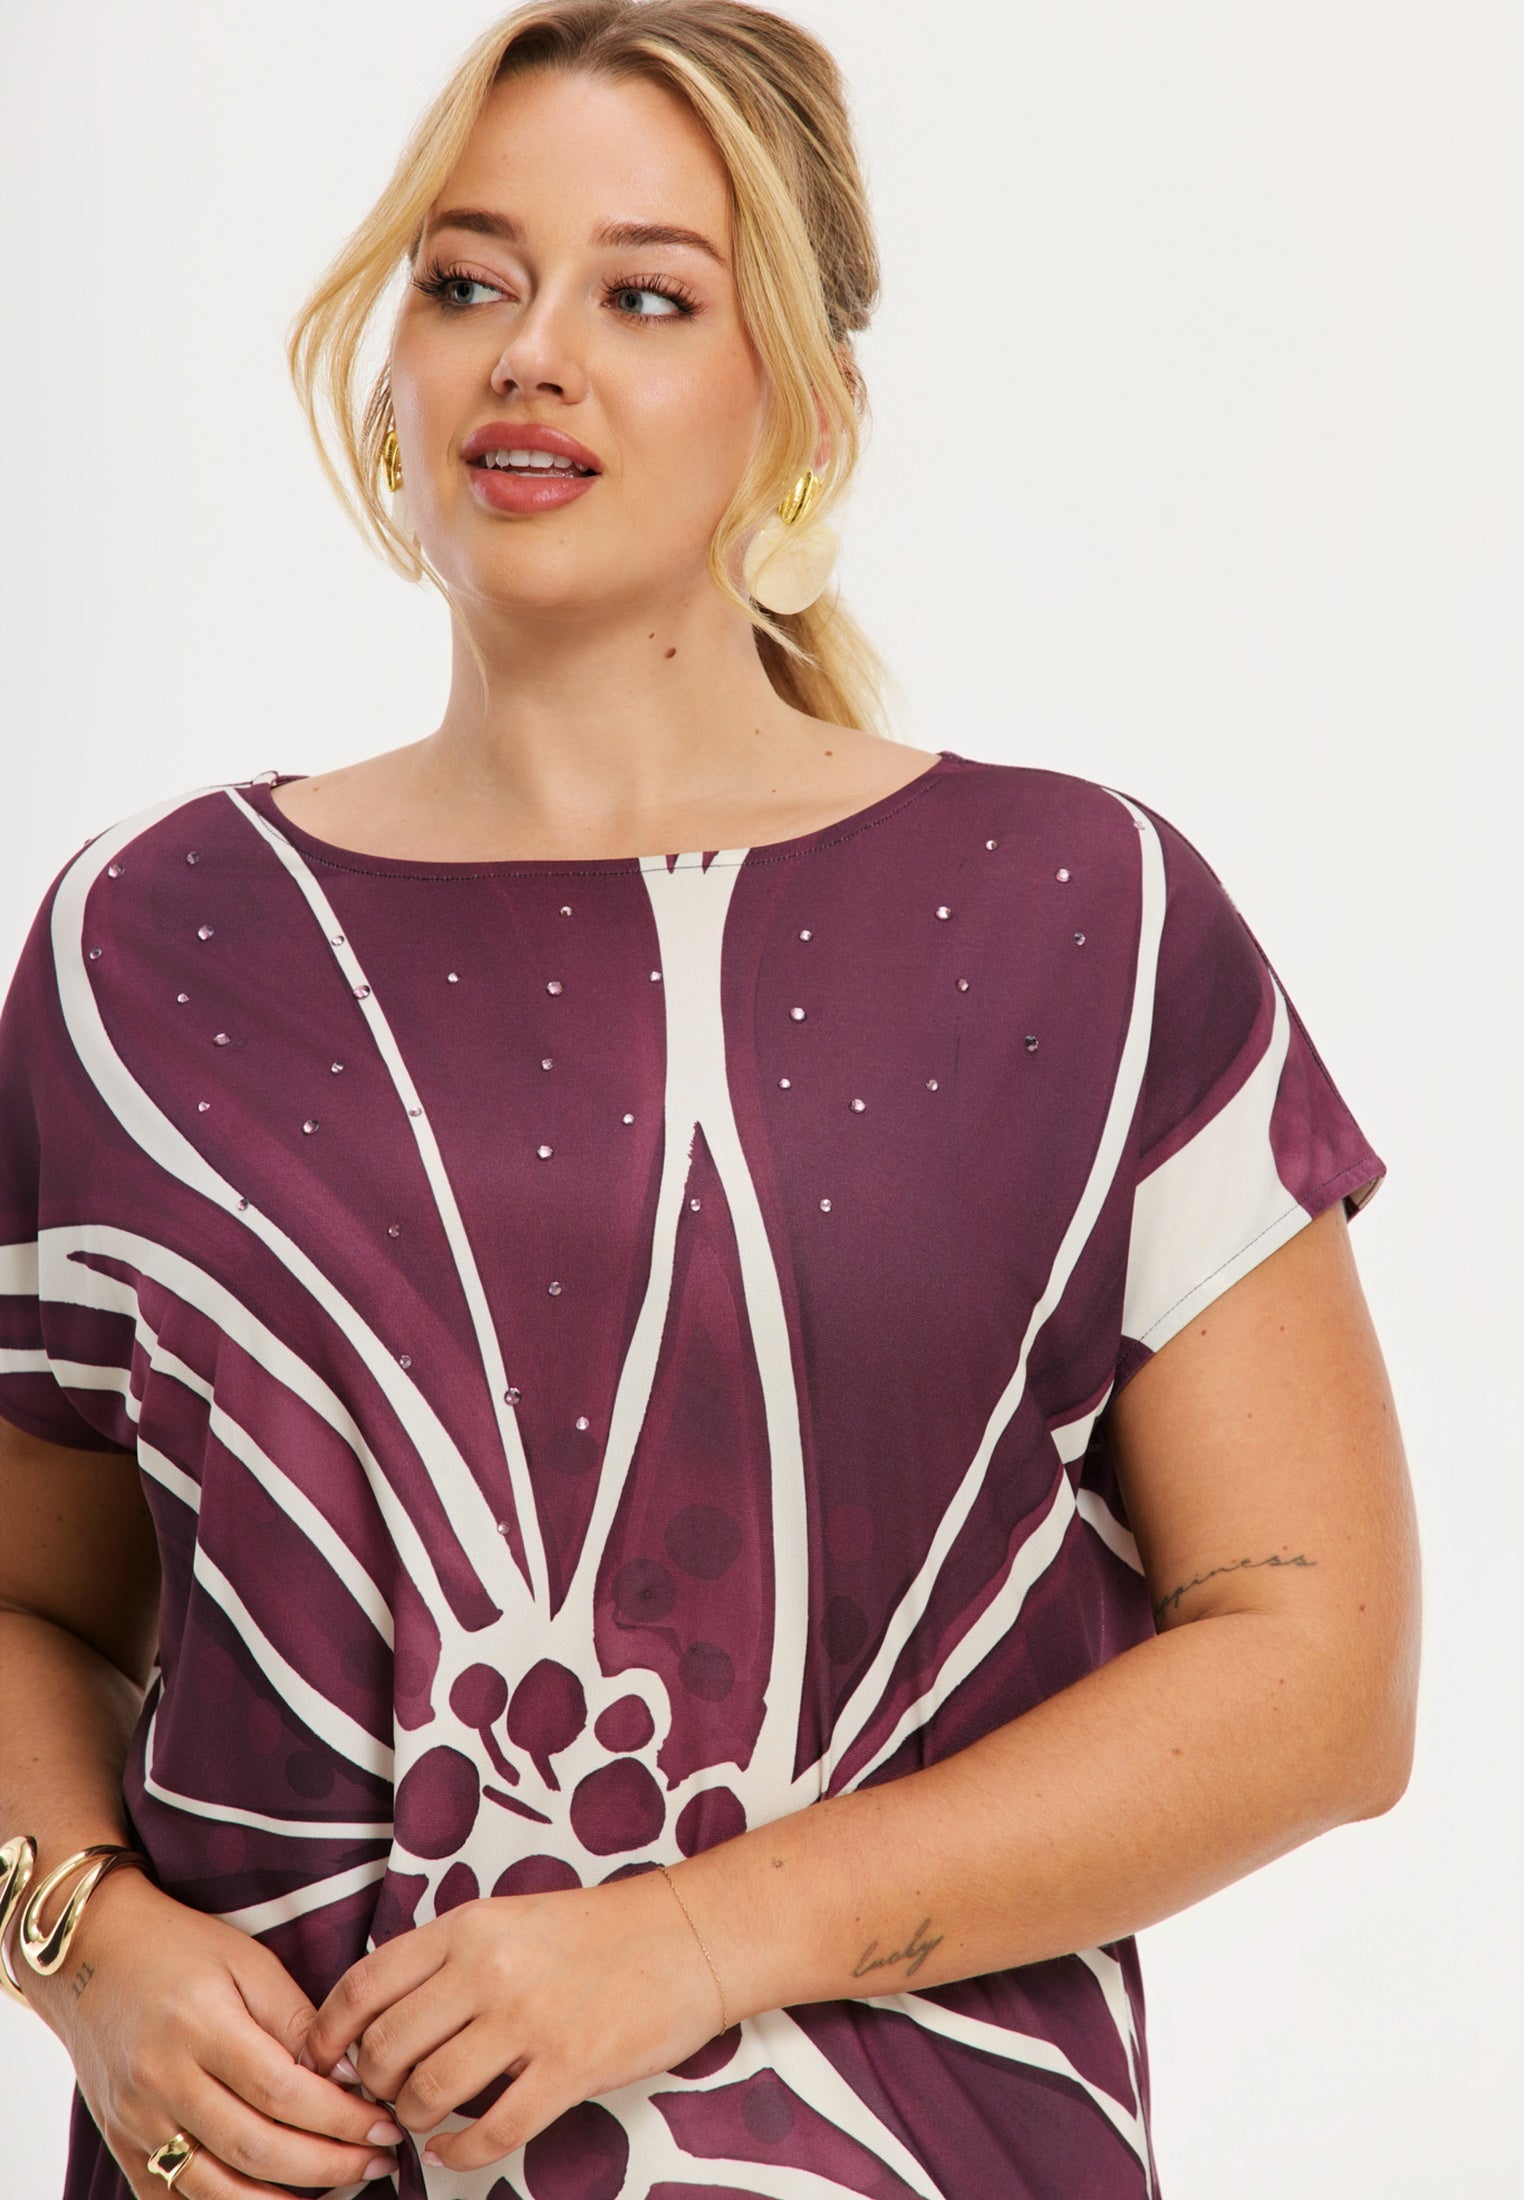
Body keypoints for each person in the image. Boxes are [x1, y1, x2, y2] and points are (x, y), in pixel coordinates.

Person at [0, 2, 1421, 2194]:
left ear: (805, 405)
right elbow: (33, 1605)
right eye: (467, 281)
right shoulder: (147, 949)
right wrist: (80, 1942)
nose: (531, 355)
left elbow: (1322, 1671)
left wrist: (692, 1937)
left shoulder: (1082, 923)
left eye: (645, 296)